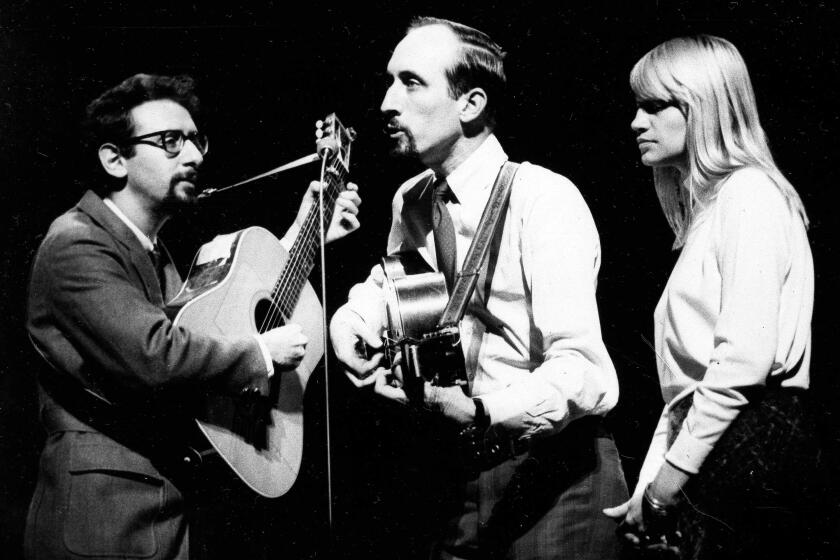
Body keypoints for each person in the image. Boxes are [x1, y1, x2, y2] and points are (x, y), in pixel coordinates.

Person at [24, 73, 361, 559]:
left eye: (196, 140)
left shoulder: (151, 253)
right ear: (114, 159)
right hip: (104, 516)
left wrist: (306, 236)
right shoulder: (78, 244)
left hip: (159, 505)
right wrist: (262, 353)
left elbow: (208, 326)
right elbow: (153, 355)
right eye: (169, 142)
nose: (195, 155)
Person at [329, 17, 627, 559]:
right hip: (460, 474)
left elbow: (585, 371)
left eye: (411, 82)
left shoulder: (544, 198)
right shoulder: (412, 200)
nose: (386, 103)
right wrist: (351, 325)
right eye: (390, 80)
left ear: (469, 104)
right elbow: (393, 282)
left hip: (554, 474)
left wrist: (483, 412)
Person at [603, 35, 819, 559]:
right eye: (637, 107)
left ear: (705, 108)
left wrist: (666, 483)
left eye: (656, 107)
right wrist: (651, 485)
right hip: (729, 440)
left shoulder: (749, 195)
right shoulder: (718, 209)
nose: (636, 122)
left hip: (752, 441)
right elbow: (690, 388)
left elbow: (742, 360)